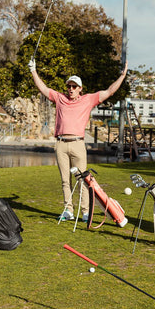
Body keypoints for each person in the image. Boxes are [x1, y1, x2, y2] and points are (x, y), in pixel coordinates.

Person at [29, 59, 127, 221]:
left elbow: (109, 91)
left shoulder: (88, 99)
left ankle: (85, 212)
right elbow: (43, 88)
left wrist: (122, 76)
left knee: (83, 180)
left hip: (78, 144)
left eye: (74, 86)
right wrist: (33, 70)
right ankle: (68, 210)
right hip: (61, 144)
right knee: (64, 180)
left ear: (80, 89)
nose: (71, 89)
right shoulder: (60, 98)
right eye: (69, 86)